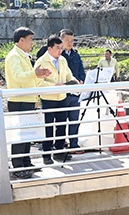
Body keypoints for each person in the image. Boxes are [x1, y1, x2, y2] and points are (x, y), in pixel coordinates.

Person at [5, 27, 52, 179]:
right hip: (19, 100)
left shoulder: (23, 56)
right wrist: (34, 73)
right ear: (21, 40)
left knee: (26, 136)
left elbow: (28, 78)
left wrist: (38, 76)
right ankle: (18, 166)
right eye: (30, 39)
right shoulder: (14, 57)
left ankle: (26, 162)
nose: (32, 43)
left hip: (27, 99)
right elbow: (18, 77)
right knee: (19, 137)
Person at [34, 35, 78, 165]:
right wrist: (54, 86)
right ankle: (46, 153)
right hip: (49, 98)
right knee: (48, 127)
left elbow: (68, 74)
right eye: (58, 48)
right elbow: (38, 83)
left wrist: (74, 81)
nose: (60, 51)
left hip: (62, 96)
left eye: (61, 48)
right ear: (49, 48)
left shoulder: (63, 60)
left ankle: (59, 150)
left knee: (61, 125)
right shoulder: (41, 62)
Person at [59, 29, 86, 153]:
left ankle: (73, 143)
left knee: (74, 119)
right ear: (61, 41)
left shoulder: (76, 54)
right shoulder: (58, 55)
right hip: (62, 92)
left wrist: (81, 80)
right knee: (61, 119)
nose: (70, 43)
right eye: (67, 41)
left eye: (72, 41)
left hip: (75, 92)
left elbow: (81, 70)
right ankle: (60, 143)